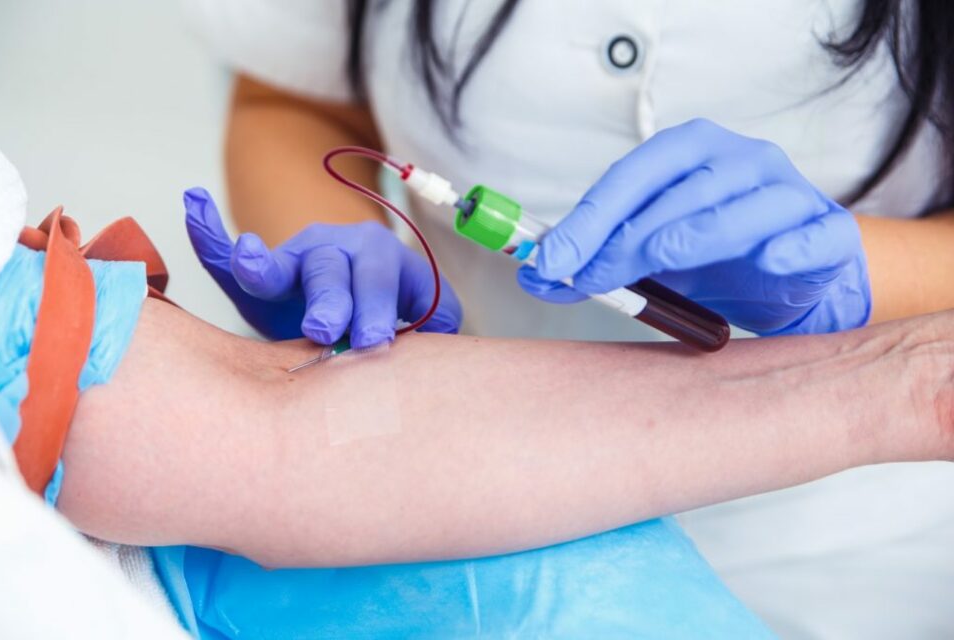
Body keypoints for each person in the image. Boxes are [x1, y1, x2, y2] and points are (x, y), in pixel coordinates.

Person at [183, 2, 954, 635]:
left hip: (880, 558)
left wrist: (859, 270)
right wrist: (328, 251)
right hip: (483, 526)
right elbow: (294, 98)